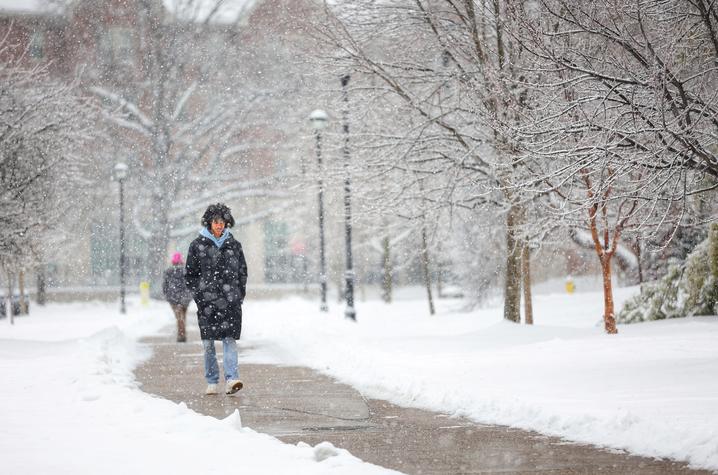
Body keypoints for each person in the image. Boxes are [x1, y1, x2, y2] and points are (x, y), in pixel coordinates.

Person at [185, 203, 248, 396]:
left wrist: (238, 294)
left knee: (229, 340)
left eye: (223, 222)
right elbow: (190, 275)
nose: (220, 225)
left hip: (230, 302)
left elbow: (242, 272)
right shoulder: (197, 245)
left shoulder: (234, 245)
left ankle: (232, 379)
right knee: (208, 343)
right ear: (209, 223)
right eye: (216, 222)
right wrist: (201, 296)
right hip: (207, 304)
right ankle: (212, 381)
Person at [162, 251, 193, 342]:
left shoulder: (168, 271)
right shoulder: (186, 271)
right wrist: (190, 295)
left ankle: (181, 335)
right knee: (182, 316)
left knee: (179, 317)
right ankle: (182, 334)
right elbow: (191, 285)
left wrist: (167, 295)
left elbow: (165, 285)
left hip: (173, 298)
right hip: (185, 298)